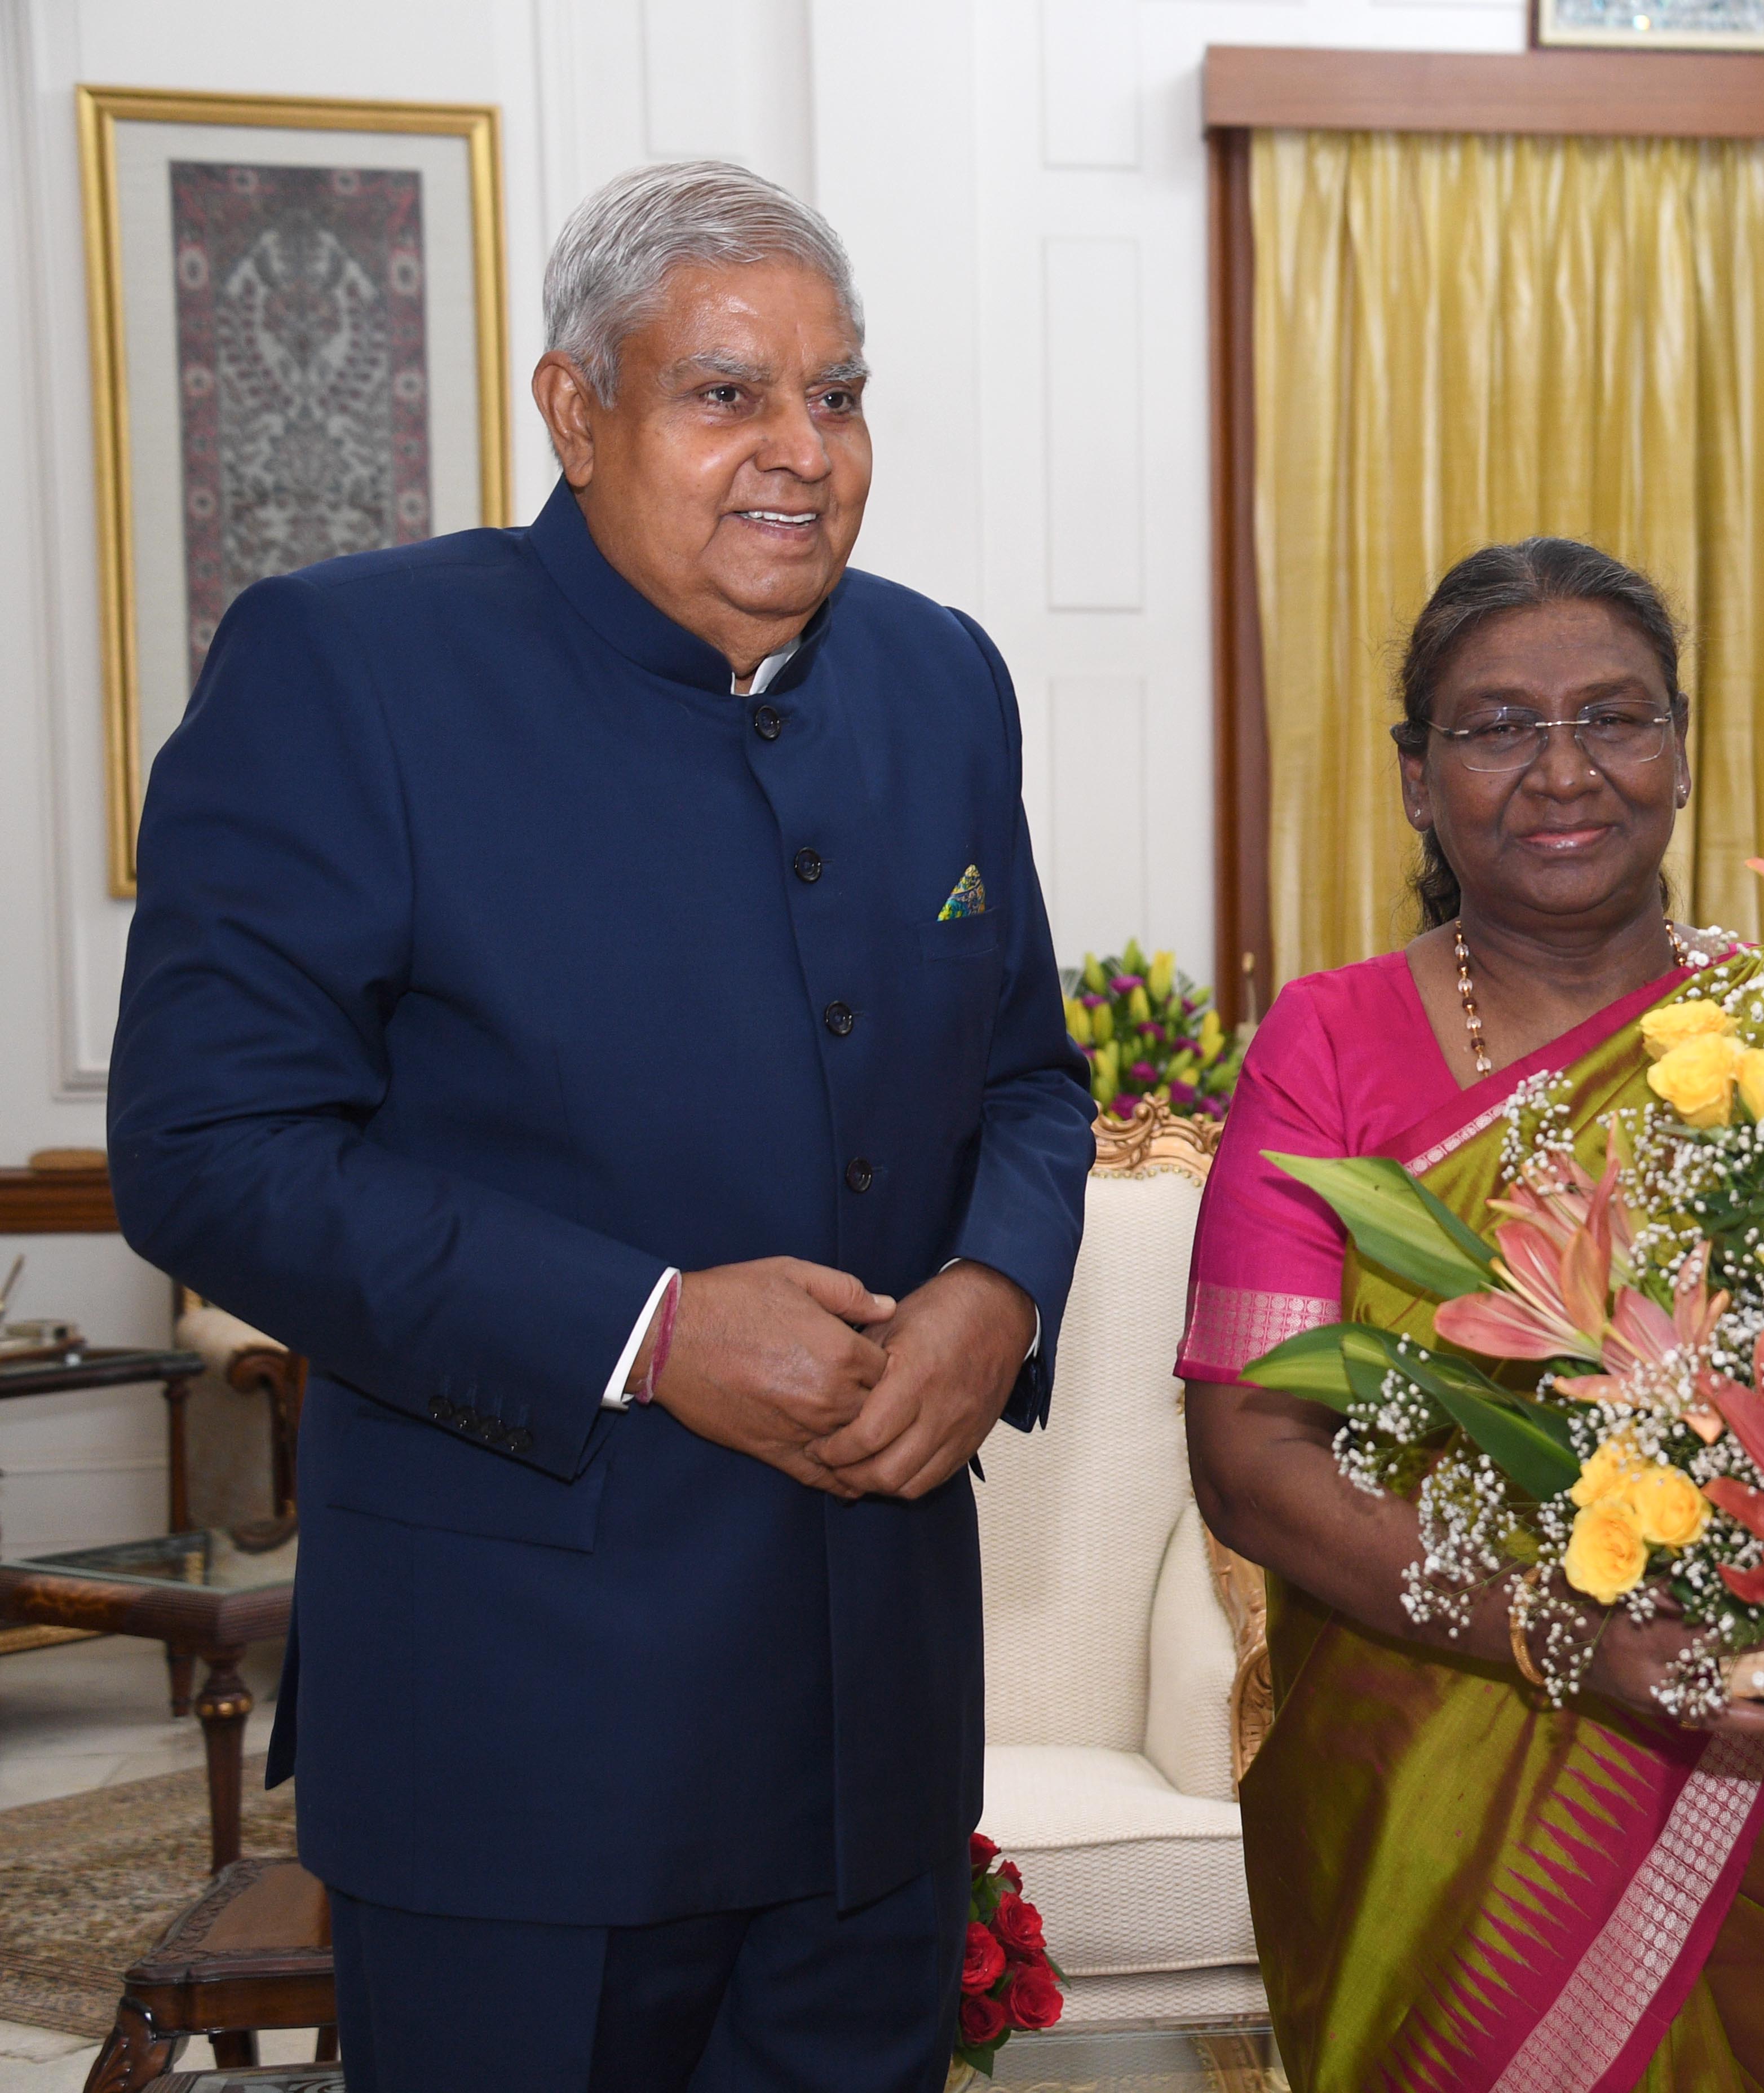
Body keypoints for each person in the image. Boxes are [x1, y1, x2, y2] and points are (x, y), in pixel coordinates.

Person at [107, 160, 1094, 2092]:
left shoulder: (941, 679)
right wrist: (648, 1330)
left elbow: (1030, 1082)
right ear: (576, 410)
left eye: (838, 393)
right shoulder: (351, 669)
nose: (801, 449)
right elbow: (210, 1151)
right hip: (520, 1751)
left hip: (877, 1755)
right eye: (728, 393)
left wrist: (998, 1289)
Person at [1180, 538, 1764, 2092]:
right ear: (1415, 780)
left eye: (1614, 716)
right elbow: (1252, 1456)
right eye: (1497, 727)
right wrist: (1565, 1636)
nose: (1563, 770)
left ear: (1681, 750)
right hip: (1431, 1790)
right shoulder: (1327, 1047)